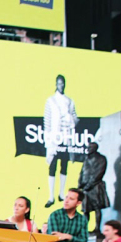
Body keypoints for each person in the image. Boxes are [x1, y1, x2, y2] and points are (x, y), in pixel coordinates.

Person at [43, 74, 78, 208]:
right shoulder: (50, 101)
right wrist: (48, 139)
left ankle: (61, 194)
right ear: (56, 84)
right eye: (59, 83)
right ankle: (51, 196)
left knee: (64, 165)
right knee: (52, 166)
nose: (61, 85)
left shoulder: (70, 101)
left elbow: (75, 117)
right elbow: (47, 121)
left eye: (63, 83)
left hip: (66, 137)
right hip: (54, 139)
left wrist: (71, 120)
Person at [77, 142, 109, 234]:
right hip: (85, 188)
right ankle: (84, 230)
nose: (88, 149)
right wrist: (80, 185)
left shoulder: (101, 159)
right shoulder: (86, 159)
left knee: (96, 208)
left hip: (95, 187)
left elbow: (98, 173)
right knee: (85, 210)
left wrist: (88, 185)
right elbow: (82, 172)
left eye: (90, 147)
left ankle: (97, 228)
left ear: (95, 148)